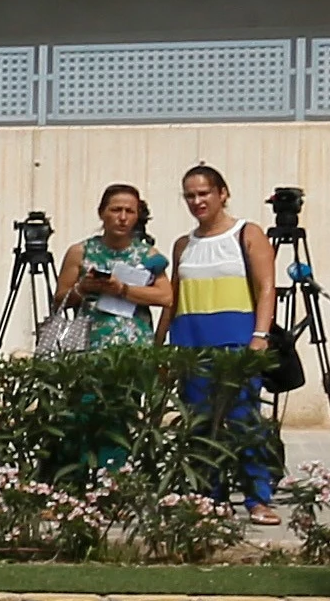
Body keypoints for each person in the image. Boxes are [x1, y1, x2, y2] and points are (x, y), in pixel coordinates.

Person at [166, 164, 278, 501]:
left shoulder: (247, 233)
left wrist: (260, 335)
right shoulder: (183, 244)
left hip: (235, 340)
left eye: (204, 193)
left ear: (222, 194)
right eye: (190, 195)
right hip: (190, 343)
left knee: (245, 420)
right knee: (199, 423)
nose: (197, 201)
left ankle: (257, 497)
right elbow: (172, 299)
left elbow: (267, 286)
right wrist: (161, 348)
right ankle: (209, 497)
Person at [65, 183, 168, 349]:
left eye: (130, 211)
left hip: (136, 347)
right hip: (90, 345)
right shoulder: (80, 252)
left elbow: (165, 297)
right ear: (101, 212)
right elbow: (59, 300)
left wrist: (122, 289)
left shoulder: (148, 255)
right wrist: (83, 288)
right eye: (116, 210)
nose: (122, 217)